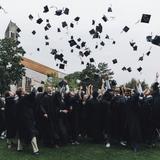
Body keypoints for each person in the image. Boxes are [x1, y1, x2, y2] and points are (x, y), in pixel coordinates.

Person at [16, 88, 39, 155]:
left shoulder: (19, 100)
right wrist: (33, 87)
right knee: (31, 133)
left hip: (21, 119)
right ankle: (35, 150)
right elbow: (33, 94)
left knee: (21, 133)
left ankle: (19, 148)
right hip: (27, 118)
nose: (25, 90)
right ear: (21, 92)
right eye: (23, 90)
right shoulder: (24, 98)